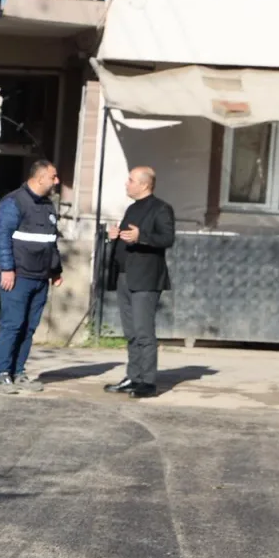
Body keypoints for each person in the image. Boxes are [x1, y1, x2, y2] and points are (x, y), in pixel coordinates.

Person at [0, 159, 64, 395]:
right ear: (40, 178)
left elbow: (51, 241)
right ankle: (2, 374)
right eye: (53, 177)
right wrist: (7, 269)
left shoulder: (48, 205)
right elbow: (1, 236)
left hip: (40, 277)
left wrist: (55, 270)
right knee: (12, 325)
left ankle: (18, 372)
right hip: (18, 276)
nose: (57, 181)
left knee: (29, 328)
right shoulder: (14, 202)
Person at [103, 166, 176, 399]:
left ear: (144, 184)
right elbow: (128, 240)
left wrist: (140, 237)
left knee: (144, 332)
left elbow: (167, 238)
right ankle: (133, 377)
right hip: (125, 277)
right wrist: (115, 237)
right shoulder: (132, 208)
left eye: (131, 180)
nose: (127, 184)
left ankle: (148, 382)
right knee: (131, 332)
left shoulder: (161, 208)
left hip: (145, 279)